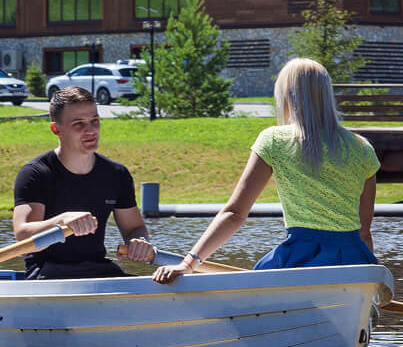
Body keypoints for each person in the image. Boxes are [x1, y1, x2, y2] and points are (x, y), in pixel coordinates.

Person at [155, 58, 379, 282]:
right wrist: (371, 276)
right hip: (355, 260)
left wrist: (189, 263)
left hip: (301, 258)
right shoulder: (362, 148)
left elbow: (235, 213)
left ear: (286, 96)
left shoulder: (274, 140)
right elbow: (363, 231)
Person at [12, 85, 157, 279]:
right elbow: (22, 235)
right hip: (49, 272)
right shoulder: (35, 173)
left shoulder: (116, 174)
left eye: (95, 121)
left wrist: (138, 242)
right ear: (56, 129)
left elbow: (134, 228)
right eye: (78, 124)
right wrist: (61, 222)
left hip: (98, 269)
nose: (90, 130)